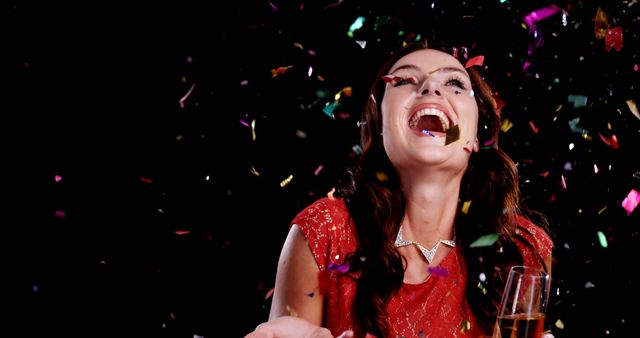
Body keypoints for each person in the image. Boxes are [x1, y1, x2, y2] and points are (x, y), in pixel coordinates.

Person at [245, 40, 554, 338]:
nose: (430, 88)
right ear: (381, 130)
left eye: (455, 84)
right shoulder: (323, 231)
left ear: (474, 137)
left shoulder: (524, 249)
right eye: (405, 80)